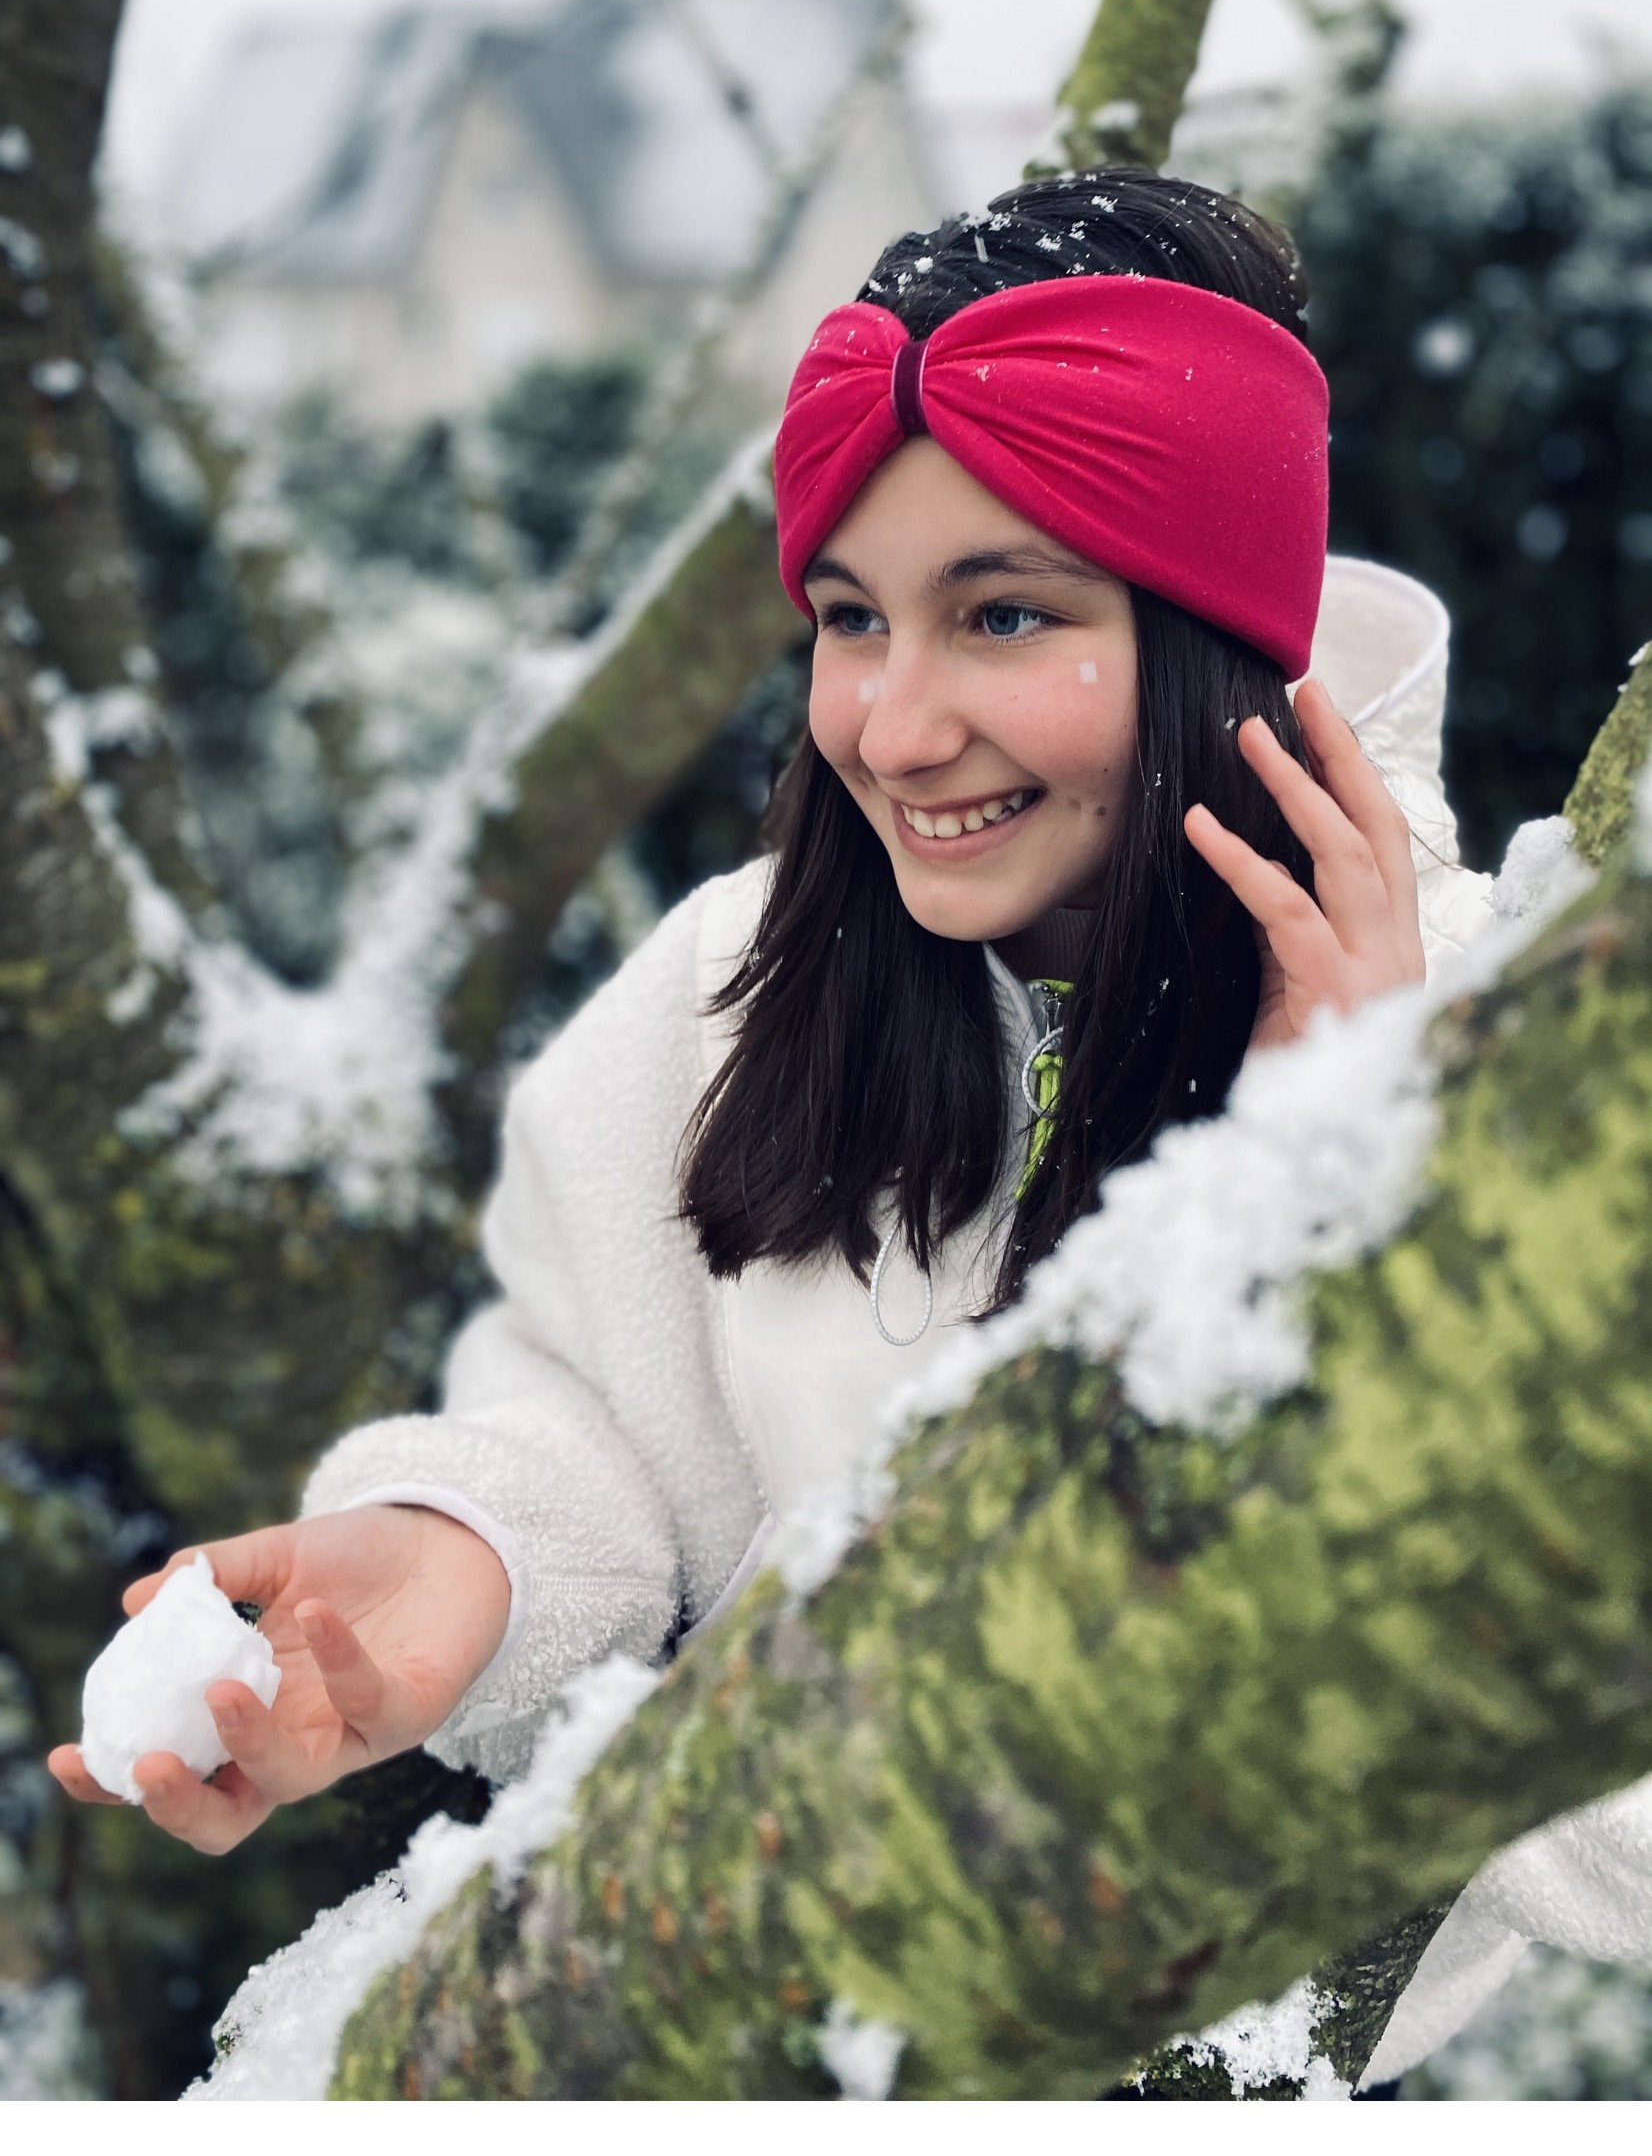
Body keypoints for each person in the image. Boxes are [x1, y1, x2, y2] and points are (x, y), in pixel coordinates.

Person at [48, 167, 1488, 1856]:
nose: (889, 727)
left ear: (1217, 635)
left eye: (1003, 613)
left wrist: (1345, 1190)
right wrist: (464, 1559)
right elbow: (620, 1425)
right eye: (852, 618)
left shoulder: (1504, 1031)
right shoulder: (739, 977)